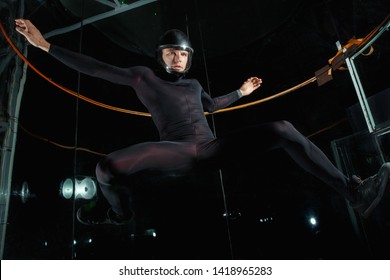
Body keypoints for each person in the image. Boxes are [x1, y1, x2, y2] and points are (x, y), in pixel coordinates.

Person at [15, 19, 390, 225]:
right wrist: (45, 45)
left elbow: (212, 105)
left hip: (211, 149)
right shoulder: (142, 77)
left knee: (283, 129)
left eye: (183, 54)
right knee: (105, 167)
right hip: (174, 151)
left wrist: (240, 93)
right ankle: (119, 212)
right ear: (159, 55)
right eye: (171, 52)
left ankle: (354, 193)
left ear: (189, 59)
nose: (177, 58)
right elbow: (97, 68)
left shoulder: (194, 84)